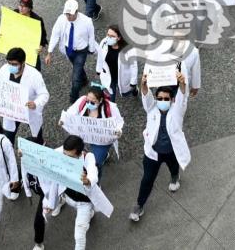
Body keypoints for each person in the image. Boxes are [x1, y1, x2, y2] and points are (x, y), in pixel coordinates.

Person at [129, 71, 190, 222]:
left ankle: (175, 177)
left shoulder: (177, 111)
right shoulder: (152, 109)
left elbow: (183, 97)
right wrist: (143, 83)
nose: (163, 101)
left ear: (172, 99)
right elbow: (145, 96)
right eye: (160, 98)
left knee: (173, 166)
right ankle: (139, 205)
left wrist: (182, 83)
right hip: (153, 153)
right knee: (147, 179)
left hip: (171, 151)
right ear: (156, 99)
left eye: (166, 99)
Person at [42, 136, 113, 250]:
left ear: (79, 154)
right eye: (64, 154)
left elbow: (93, 172)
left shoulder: (88, 157)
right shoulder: (63, 152)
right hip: (68, 196)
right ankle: (61, 201)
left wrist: (88, 180)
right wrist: (24, 153)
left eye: (70, 157)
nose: (65, 158)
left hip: (84, 203)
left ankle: (88, 213)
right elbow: (43, 155)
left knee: (79, 236)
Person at [0, 47, 50, 143]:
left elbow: (44, 94)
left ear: (23, 63)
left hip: (29, 110)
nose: (11, 66)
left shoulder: (34, 75)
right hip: (11, 110)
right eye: (9, 63)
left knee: (35, 132)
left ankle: (40, 143)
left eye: (14, 64)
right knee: (8, 137)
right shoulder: (4, 69)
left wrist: (35, 103)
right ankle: (8, 153)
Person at [46, 0, 98, 104]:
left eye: (71, 14)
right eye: (67, 14)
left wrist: (91, 49)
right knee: (77, 67)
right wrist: (49, 52)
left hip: (81, 51)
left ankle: (73, 99)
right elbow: (55, 34)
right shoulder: (61, 19)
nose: (68, 17)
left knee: (75, 78)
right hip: (68, 50)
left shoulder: (87, 21)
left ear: (77, 11)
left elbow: (91, 36)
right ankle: (84, 79)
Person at [63, 85, 124, 174]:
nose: (88, 104)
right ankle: (103, 155)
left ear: (100, 101)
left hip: (102, 141)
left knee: (96, 164)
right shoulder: (82, 101)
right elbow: (71, 111)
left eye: (93, 102)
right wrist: (63, 119)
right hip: (85, 136)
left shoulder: (110, 107)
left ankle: (96, 182)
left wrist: (118, 131)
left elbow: (118, 121)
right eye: (87, 101)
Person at [95, 25, 138, 100]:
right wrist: (98, 70)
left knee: (127, 92)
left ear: (119, 38)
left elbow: (133, 66)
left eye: (112, 36)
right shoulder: (104, 43)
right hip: (109, 76)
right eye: (108, 35)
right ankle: (112, 108)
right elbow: (100, 57)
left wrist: (133, 81)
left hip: (123, 76)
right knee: (111, 96)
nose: (108, 38)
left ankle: (134, 89)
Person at [13, 0, 48, 71]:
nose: (21, 8)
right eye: (20, 5)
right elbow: (8, 27)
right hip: (17, 46)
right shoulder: (14, 13)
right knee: (16, 69)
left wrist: (41, 46)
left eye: (24, 6)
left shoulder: (37, 20)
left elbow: (43, 35)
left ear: (29, 8)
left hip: (31, 48)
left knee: (35, 70)